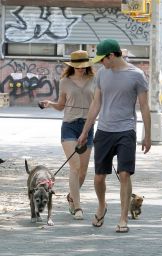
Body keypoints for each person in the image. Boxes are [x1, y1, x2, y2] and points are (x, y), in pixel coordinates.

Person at [78, 39, 151, 232]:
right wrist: (85, 131)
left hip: (126, 130)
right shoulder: (102, 74)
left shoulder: (136, 75)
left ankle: (123, 218)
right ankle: (102, 206)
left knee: (124, 174)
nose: (101, 63)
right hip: (104, 130)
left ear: (111, 55)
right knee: (99, 178)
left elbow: (144, 106)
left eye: (103, 59)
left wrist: (147, 135)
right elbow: (96, 104)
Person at [40, 50, 95, 220]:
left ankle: (72, 197)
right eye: (77, 66)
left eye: (84, 66)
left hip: (88, 126)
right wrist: (50, 104)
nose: (81, 69)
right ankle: (78, 207)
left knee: (83, 171)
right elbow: (62, 105)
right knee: (75, 166)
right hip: (69, 126)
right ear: (72, 66)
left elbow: (99, 103)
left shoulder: (95, 80)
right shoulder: (64, 82)